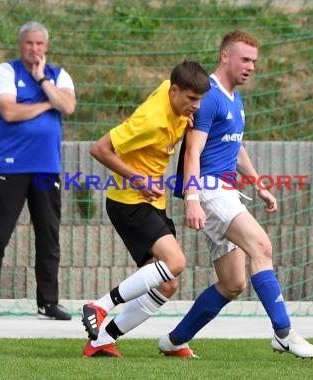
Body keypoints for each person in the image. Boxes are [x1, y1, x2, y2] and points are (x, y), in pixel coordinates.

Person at [157, 30, 313, 358]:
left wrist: (259, 184)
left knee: (233, 283)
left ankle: (175, 340)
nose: (250, 67)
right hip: (209, 189)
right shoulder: (210, 95)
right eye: (245, 59)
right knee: (261, 245)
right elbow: (193, 152)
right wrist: (192, 198)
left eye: (254, 62)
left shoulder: (234, 96)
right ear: (225, 57)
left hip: (226, 190)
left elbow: (236, 145)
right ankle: (284, 333)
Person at [81, 61, 210, 358]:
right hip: (129, 202)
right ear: (175, 91)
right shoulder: (151, 119)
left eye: (199, 100)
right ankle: (100, 305)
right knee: (175, 261)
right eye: (191, 100)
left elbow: (179, 103)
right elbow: (99, 149)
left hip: (152, 201)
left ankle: (101, 340)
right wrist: (137, 178)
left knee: (168, 284)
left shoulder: (173, 95)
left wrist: (186, 115)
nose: (196, 106)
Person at [0, 21, 76, 321]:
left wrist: (43, 81)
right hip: (10, 167)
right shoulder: (6, 71)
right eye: (29, 43)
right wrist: (47, 104)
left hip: (47, 168)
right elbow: (10, 111)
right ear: (21, 45)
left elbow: (68, 106)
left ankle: (48, 302)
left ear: (47, 46)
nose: (34, 49)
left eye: (40, 44)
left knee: (48, 236)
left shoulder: (58, 75)